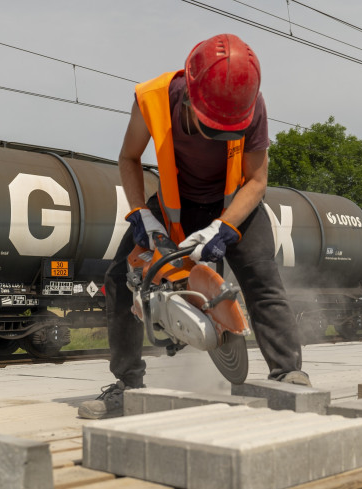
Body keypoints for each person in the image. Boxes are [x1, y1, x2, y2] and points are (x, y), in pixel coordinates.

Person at [78, 33, 309, 420]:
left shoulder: (252, 107)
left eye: (227, 130)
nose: (220, 135)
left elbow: (256, 181)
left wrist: (223, 227)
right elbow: (129, 157)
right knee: (122, 279)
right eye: (212, 127)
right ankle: (127, 386)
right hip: (173, 202)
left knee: (262, 280)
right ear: (189, 98)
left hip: (234, 203)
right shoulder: (153, 98)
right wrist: (141, 214)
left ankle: (289, 376)